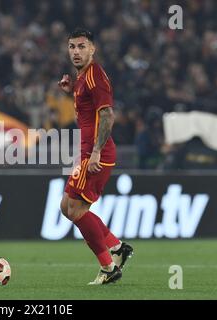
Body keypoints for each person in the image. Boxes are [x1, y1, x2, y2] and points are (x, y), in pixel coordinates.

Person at [58, 28, 133, 285]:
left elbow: (108, 115)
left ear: (93, 49)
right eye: (72, 47)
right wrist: (72, 90)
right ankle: (116, 246)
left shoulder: (95, 76)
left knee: (76, 210)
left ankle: (108, 266)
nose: (76, 52)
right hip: (87, 152)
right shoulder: (83, 77)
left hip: (96, 153)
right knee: (66, 207)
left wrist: (97, 151)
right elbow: (90, 109)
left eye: (81, 46)